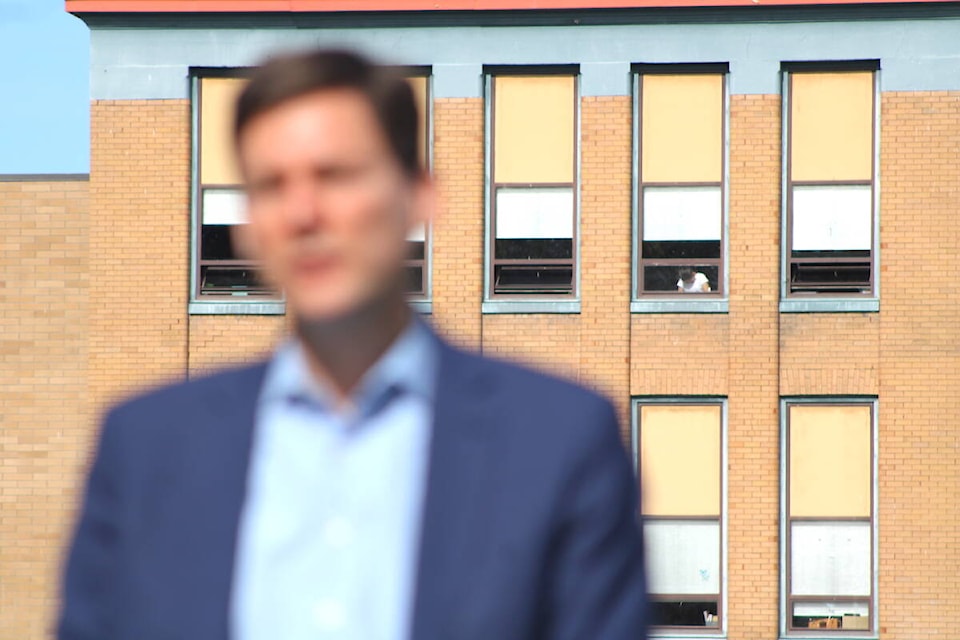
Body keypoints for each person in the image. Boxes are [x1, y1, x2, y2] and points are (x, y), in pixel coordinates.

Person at [57, 48, 648, 640]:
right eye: (271, 185)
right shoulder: (144, 451)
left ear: (420, 195)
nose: (304, 213)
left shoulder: (560, 443)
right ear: (245, 227)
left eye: (335, 175)